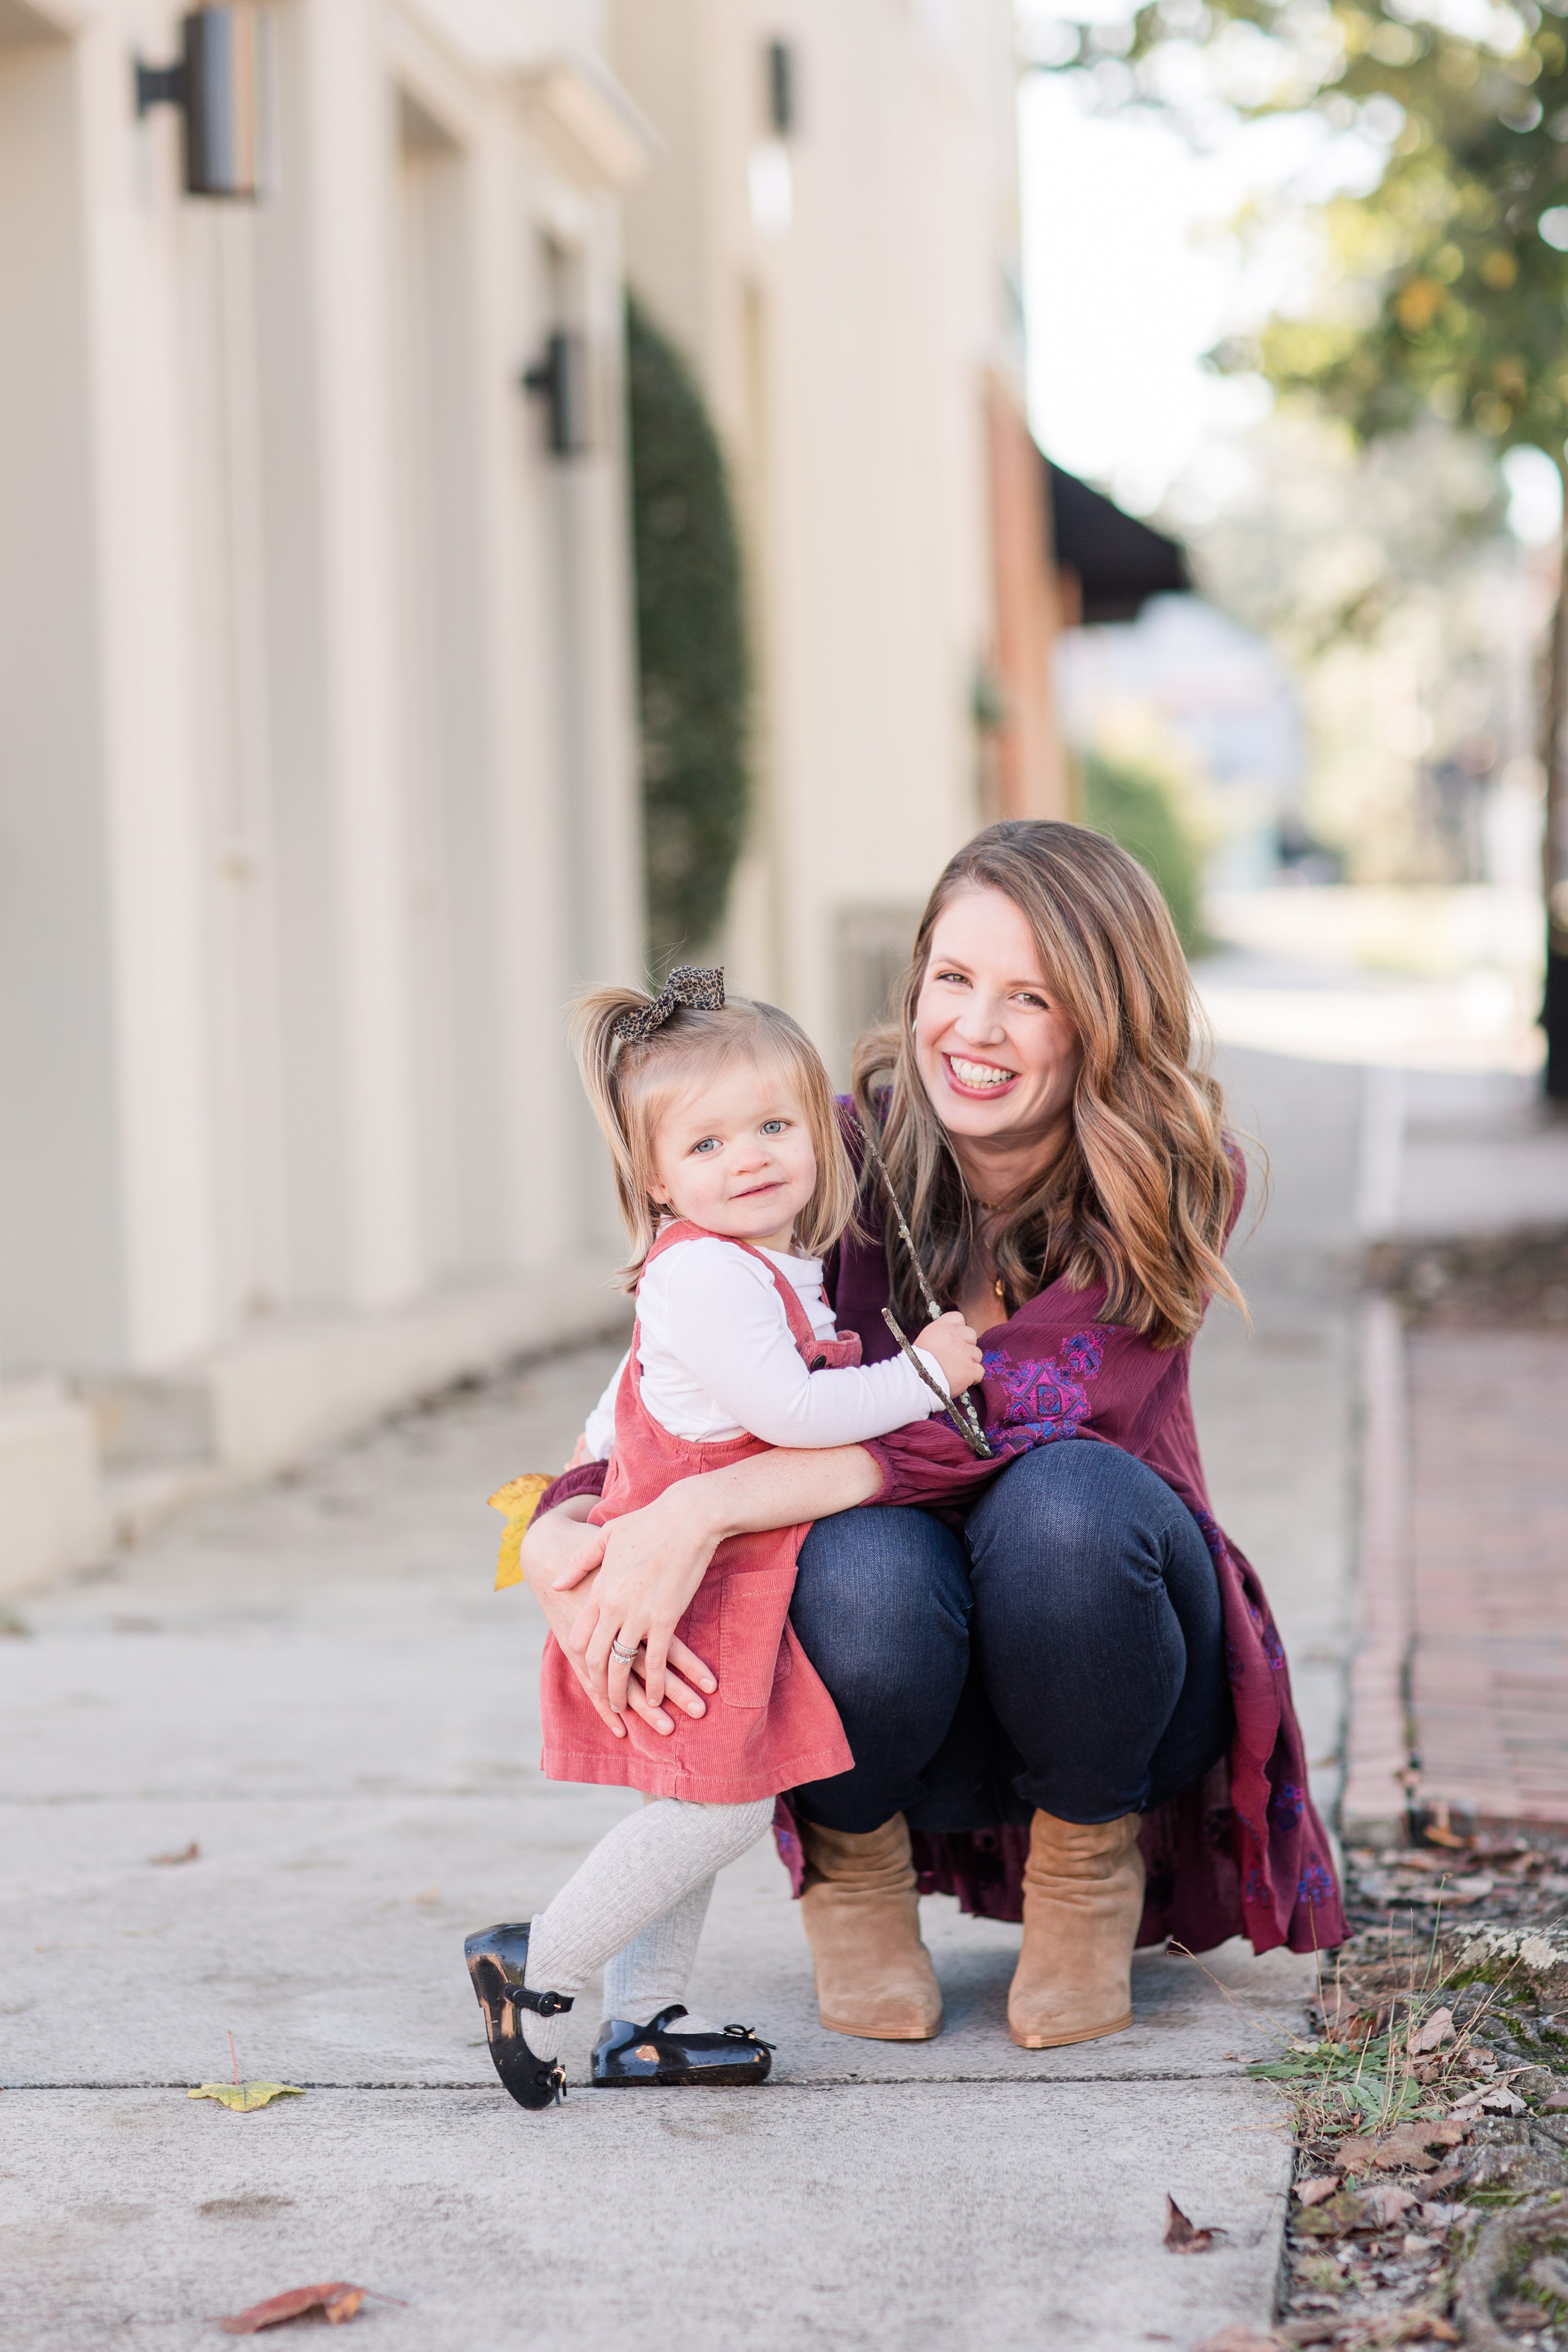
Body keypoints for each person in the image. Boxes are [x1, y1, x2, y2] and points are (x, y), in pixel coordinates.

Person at [523, 822, 1345, 2058]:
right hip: (888, 1692)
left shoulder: (1174, 1173)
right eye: (954, 981)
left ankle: (1084, 1875)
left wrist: (709, 1509)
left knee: (1065, 1501)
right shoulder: (822, 1151)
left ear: (1104, 1018)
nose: (976, 1028)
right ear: (915, 984)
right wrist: (574, 1517)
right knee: (857, 1561)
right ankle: (854, 1876)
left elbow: (1020, 1413)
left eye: (1034, 997)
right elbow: (687, 1357)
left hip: (1111, 1670)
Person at [464, 969, 984, 2109]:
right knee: (724, 1807)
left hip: (710, 1574)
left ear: (817, 1132)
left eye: (774, 1126)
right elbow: (794, 1416)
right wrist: (924, 1375)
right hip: (694, 1590)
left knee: (692, 1804)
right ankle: (537, 1962)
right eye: (706, 1145)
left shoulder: (743, 1265)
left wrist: (592, 1491)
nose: (749, 1157)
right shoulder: (706, 1271)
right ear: (654, 1179)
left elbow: (619, 1406)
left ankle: (645, 2026)